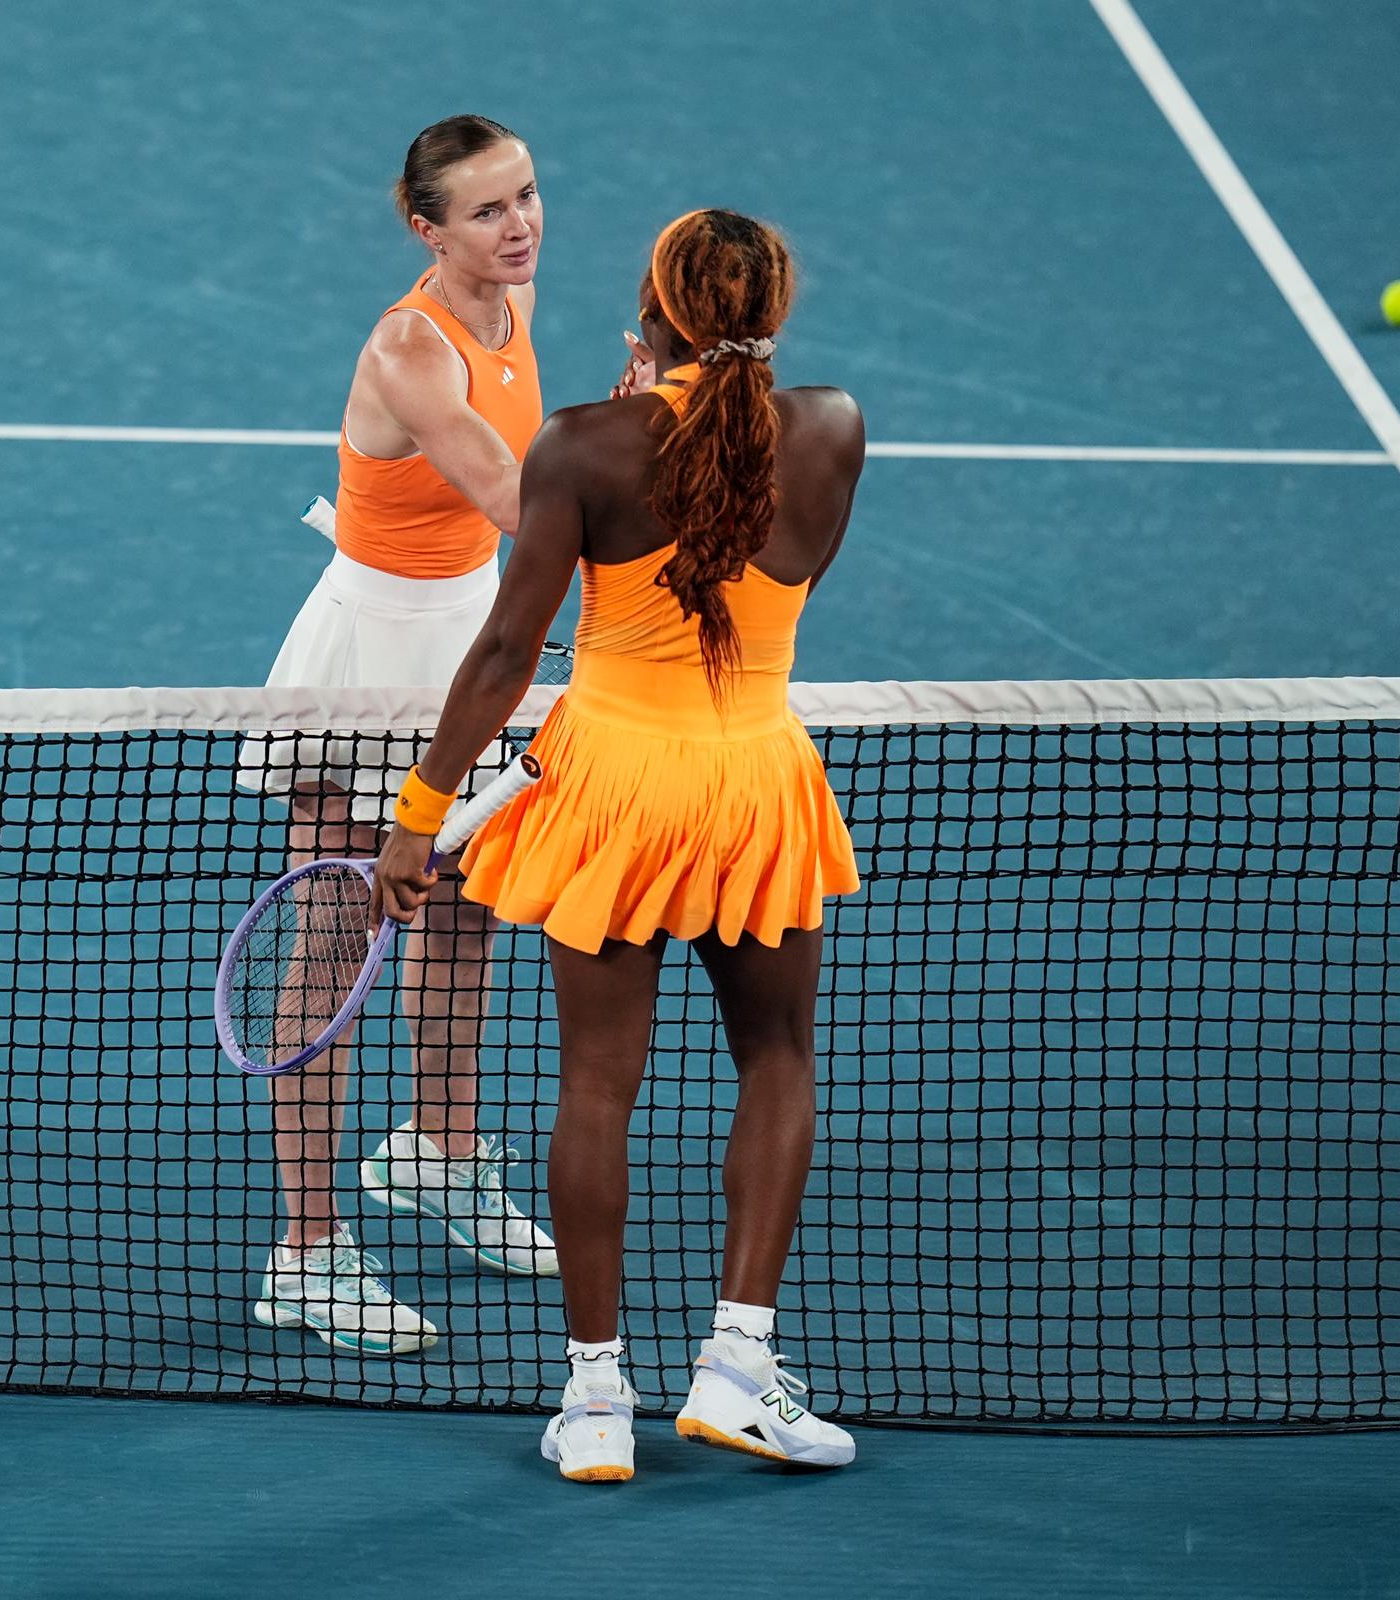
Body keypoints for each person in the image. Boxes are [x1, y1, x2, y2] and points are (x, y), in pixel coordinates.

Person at [373, 209, 867, 1480]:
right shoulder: (833, 429)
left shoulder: (585, 444)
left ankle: (598, 1402)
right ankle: (737, 1369)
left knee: (597, 1083)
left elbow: (503, 653)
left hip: (616, 795)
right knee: (776, 1056)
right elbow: (764, 569)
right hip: (757, 782)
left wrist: (419, 821)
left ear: (653, 311)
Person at [243, 114, 560, 1357]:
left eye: (526, 195)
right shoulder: (410, 347)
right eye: (486, 211)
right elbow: (513, 490)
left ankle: (439, 1150)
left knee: (469, 908)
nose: (520, 224)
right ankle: (307, 1251)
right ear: (425, 228)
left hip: (471, 634)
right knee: (332, 948)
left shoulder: (510, 304)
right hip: (374, 665)